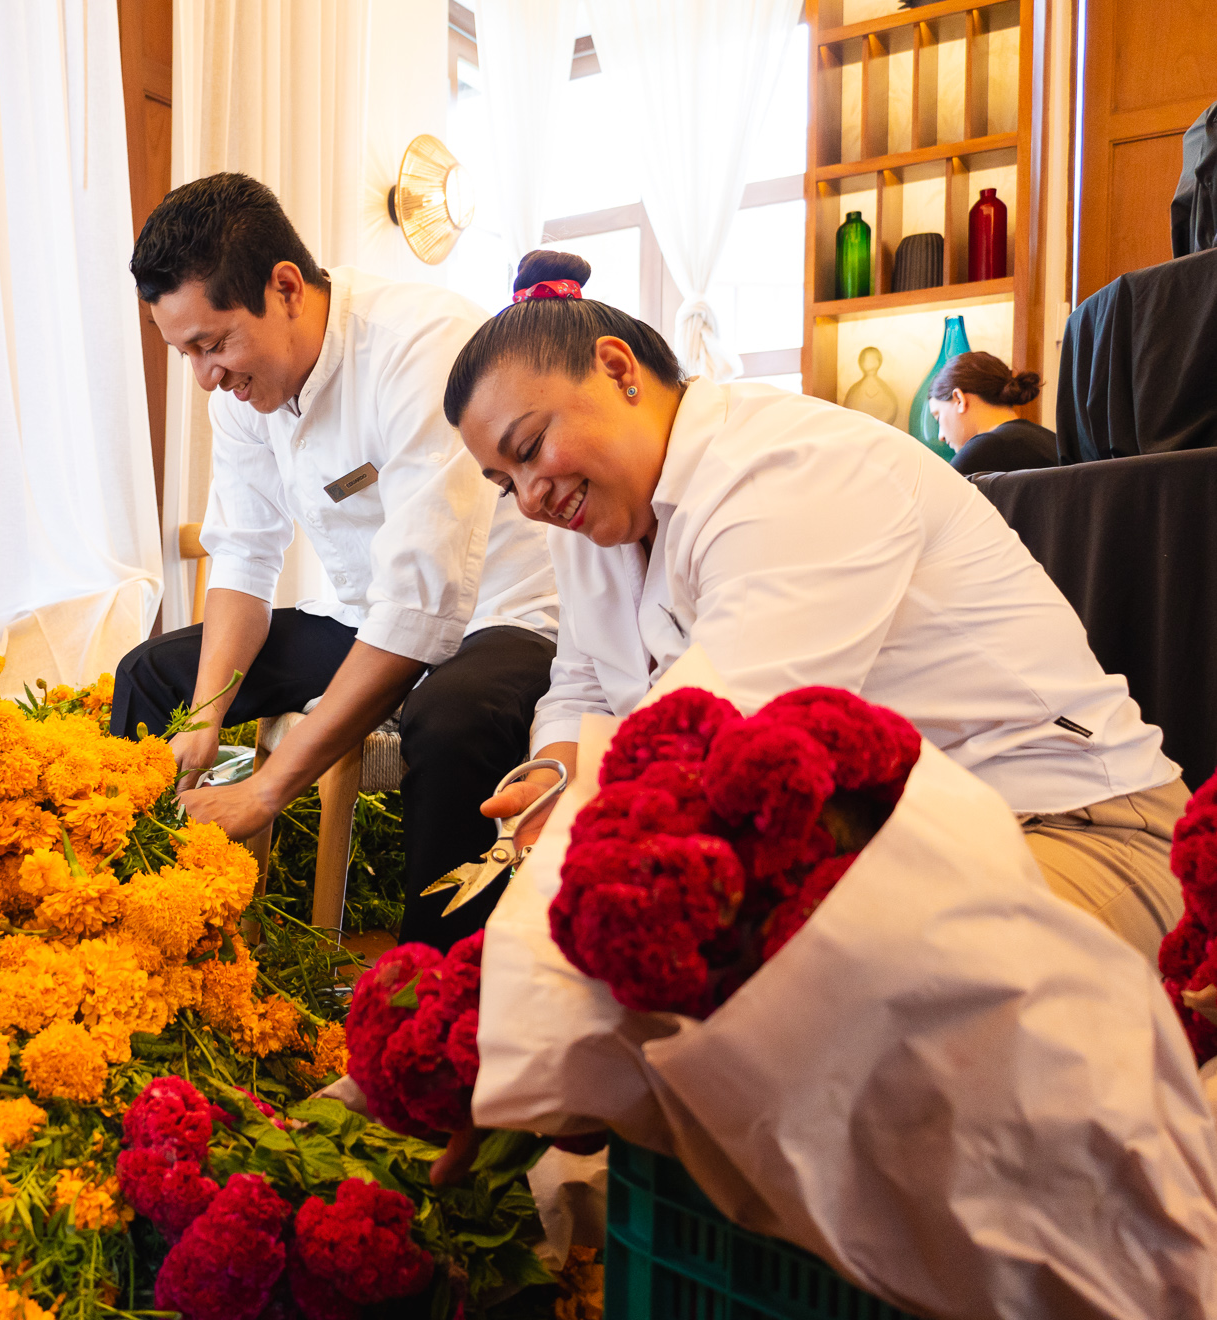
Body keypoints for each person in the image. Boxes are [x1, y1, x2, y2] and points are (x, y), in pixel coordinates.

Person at [455, 250, 1187, 960]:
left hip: (1064, 824)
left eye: (531, 448)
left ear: (618, 370)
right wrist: (555, 769)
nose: (528, 499)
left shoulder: (788, 468)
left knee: (823, 1020)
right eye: (502, 484)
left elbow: (730, 733)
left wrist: (587, 823)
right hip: (873, 848)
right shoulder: (594, 518)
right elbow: (581, 682)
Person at [110, 173, 562, 949]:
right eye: (186, 352)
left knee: (450, 721)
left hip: (500, 618)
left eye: (212, 344)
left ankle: (432, 995)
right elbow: (245, 558)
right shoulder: (243, 396)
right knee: (154, 675)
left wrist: (270, 788)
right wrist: (206, 715)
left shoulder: (423, 345)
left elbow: (423, 600)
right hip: (367, 621)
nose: (206, 377)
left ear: (285, 287)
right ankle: (139, 926)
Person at [929, 352, 1057, 476]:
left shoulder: (980, 452)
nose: (941, 436)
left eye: (938, 417)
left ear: (959, 400)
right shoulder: (1051, 440)